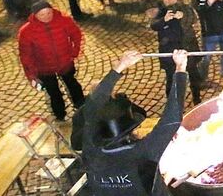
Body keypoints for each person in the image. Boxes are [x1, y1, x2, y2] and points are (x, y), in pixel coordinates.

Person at [78, 49, 188, 195]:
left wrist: (120, 66)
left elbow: (92, 107)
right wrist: (180, 68)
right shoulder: (141, 151)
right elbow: (171, 120)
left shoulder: (91, 146)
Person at [18, 1, 84, 121]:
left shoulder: (64, 20)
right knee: (53, 92)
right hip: (44, 68)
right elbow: (26, 55)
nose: (47, 17)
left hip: (65, 62)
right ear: (35, 16)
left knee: (72, 84)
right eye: (42, 15)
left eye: (49, 13)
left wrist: (75, 51)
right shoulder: (26, 32)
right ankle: (60, 115)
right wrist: (31, 75)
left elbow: (77, 35)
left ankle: (82, 106)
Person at [146, 0, 203, 104]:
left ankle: (197, 97)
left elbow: (193, 18)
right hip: (170, 54)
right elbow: (154, 24)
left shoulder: (186, 9)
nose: (169, 0)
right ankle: (172, 102)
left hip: (187, 49)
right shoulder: (162, 13)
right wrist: (164, 20)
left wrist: (183, 16)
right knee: (171, 81)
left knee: (194, 76)